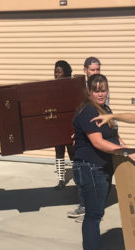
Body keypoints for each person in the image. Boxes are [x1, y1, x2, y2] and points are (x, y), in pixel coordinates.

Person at [72, 73, 127, 250]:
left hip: (100, 168)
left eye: (103, 90)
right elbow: (98, 142)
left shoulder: (106, 110)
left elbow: (115, 137)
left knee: (96, 213)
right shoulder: (89, 110)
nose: (100, 94)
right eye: (96, 91)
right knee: (93, 215)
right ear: (89, 92)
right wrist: (125, 153)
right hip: (90, 168)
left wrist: (126, 150)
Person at [67, 56, 105, 222]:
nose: (95, 72)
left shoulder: (101, 86)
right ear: (85, 70)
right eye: (92, 70)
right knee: (81, 172)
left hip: (95, 133)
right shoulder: (78, 87)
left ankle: (92, 211)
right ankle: (85, 206)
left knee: (94, 172)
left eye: (97, 69)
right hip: (84, 133)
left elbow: (103, 112)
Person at [53, 60, 75, 189]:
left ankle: (78, 177)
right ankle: (61, 180)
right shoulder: (52, 86)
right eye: (55, 72)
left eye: (59, 72)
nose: (56, 74)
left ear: (65, 72)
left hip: (70, 125)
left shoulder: (72, 86)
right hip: (57, 124)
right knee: (59, 152)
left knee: (73, 153)